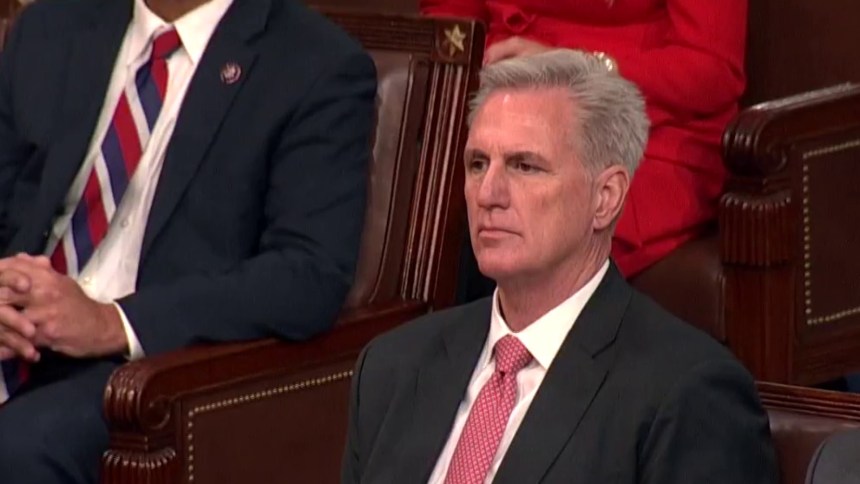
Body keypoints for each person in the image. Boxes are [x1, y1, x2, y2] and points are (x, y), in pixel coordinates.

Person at [341, 50, 777, 484]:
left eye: (524, 166)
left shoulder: (687, 394)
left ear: (605, 197)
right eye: (478, 164)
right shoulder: (393, 366)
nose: (488, 194)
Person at [0, 0, 376, 481]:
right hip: (16, 330)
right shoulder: (50, 27)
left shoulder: (315, 65)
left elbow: (307, 275)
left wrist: (113, 321)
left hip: (150, 368)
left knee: (18, 446)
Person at [422, 0, 747, 281]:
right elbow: (451, 21)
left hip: (636, 118)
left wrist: (577, 70)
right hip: (492, 101)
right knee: (423, 213)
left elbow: (711, 69)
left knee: (514, 222)